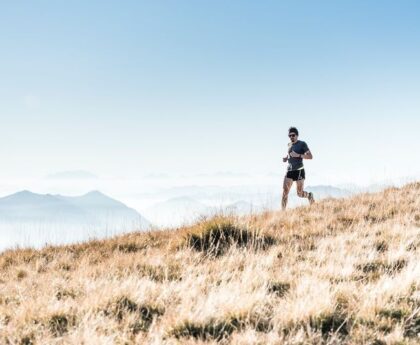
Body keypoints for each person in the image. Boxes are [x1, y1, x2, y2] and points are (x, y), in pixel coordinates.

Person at [282, 127, 314, 210]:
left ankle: (309, 195)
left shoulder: (302, 144)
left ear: (297, 135)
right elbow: (290, 155)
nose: (291, 137)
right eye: (290, 135)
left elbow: (310, 156)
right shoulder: (289, 145)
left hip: (299, 171)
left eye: (293, 135)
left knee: (299, 193)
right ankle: (282, 213)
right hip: (289, 171)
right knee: (285, 192)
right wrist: (286, 158)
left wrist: (299, 155)